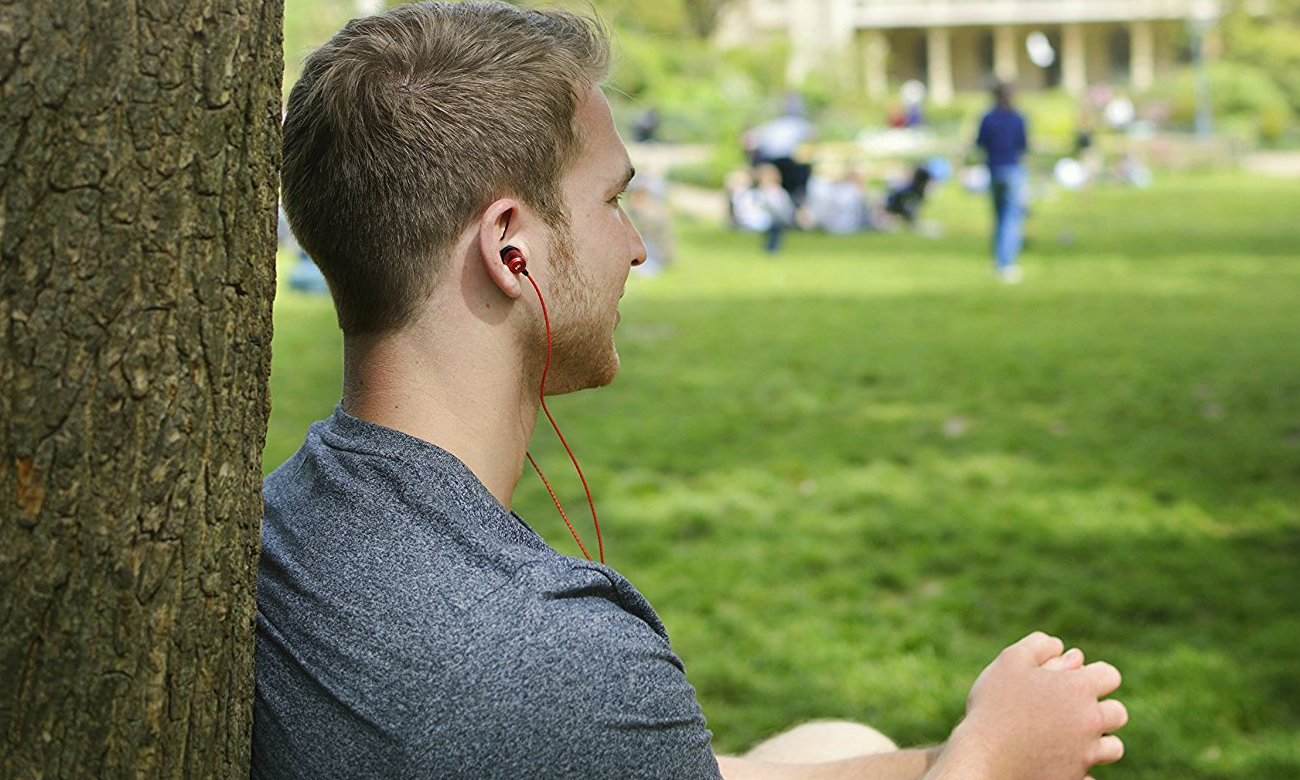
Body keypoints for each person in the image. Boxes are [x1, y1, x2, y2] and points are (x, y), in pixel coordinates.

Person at [258, 4, 1128, 779]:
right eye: (613, 201)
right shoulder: (555, 659)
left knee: (831, 738)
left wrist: (938, 759)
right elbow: (567, 719)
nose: (636, 248)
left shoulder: (277, 524)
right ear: (509, 249)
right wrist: (993, 761)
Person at [976, 82, 1030, 283]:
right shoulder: (1017, 118)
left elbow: (980, 143)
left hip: (994, 169)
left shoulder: (988, 118)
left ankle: (999, 259)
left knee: (1000, 216)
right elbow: (1023, 144)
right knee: (1010, 218)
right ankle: (1006, 263)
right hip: (1012, 170)